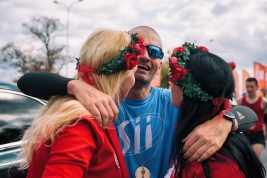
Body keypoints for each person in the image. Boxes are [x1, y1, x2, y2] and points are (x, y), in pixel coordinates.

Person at [17, 26, 257, 178]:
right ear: (124, 59)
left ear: (161, 63)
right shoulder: (94, 103)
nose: (144, 55)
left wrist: (225, 123)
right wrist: (73, 85)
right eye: (138, 48)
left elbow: (247, 114)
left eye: (154, 51)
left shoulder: (172, 101)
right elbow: (26, 82)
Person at [17, 29, 147, 177]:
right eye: (133, 74)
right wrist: (73, 85)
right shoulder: (80, 123)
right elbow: (25, 81)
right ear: (120, 76)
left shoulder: (92, 110)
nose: (133, 80)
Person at [167, 43, 265, 177]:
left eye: (172, 77)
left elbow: (250, 114)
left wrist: (225, 122)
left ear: (186, 92)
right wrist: (225, 121)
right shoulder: (207, 114)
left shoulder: (216, 164)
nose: (169, 84)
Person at [236, 78, 267, 158]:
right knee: (245, 161)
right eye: (247, 86)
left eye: (252, 86)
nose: (249, 89)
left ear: (257, 87)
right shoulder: (240, 101)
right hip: (244, 133)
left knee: (255, 160)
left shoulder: (263, 101)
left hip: (258, 133)